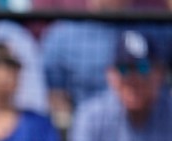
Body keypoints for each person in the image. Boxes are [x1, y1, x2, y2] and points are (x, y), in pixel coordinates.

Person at [65, 30, 172, 141]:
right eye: (124, 69)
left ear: (159, 74)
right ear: (110, 75)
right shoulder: (90, 117)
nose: (133, 78)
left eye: (143, 68)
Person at [40, 0, 172, 129]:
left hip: (154, 133)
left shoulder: (158, 28)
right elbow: (55, 97)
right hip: (89, 134)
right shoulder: (61, 36)